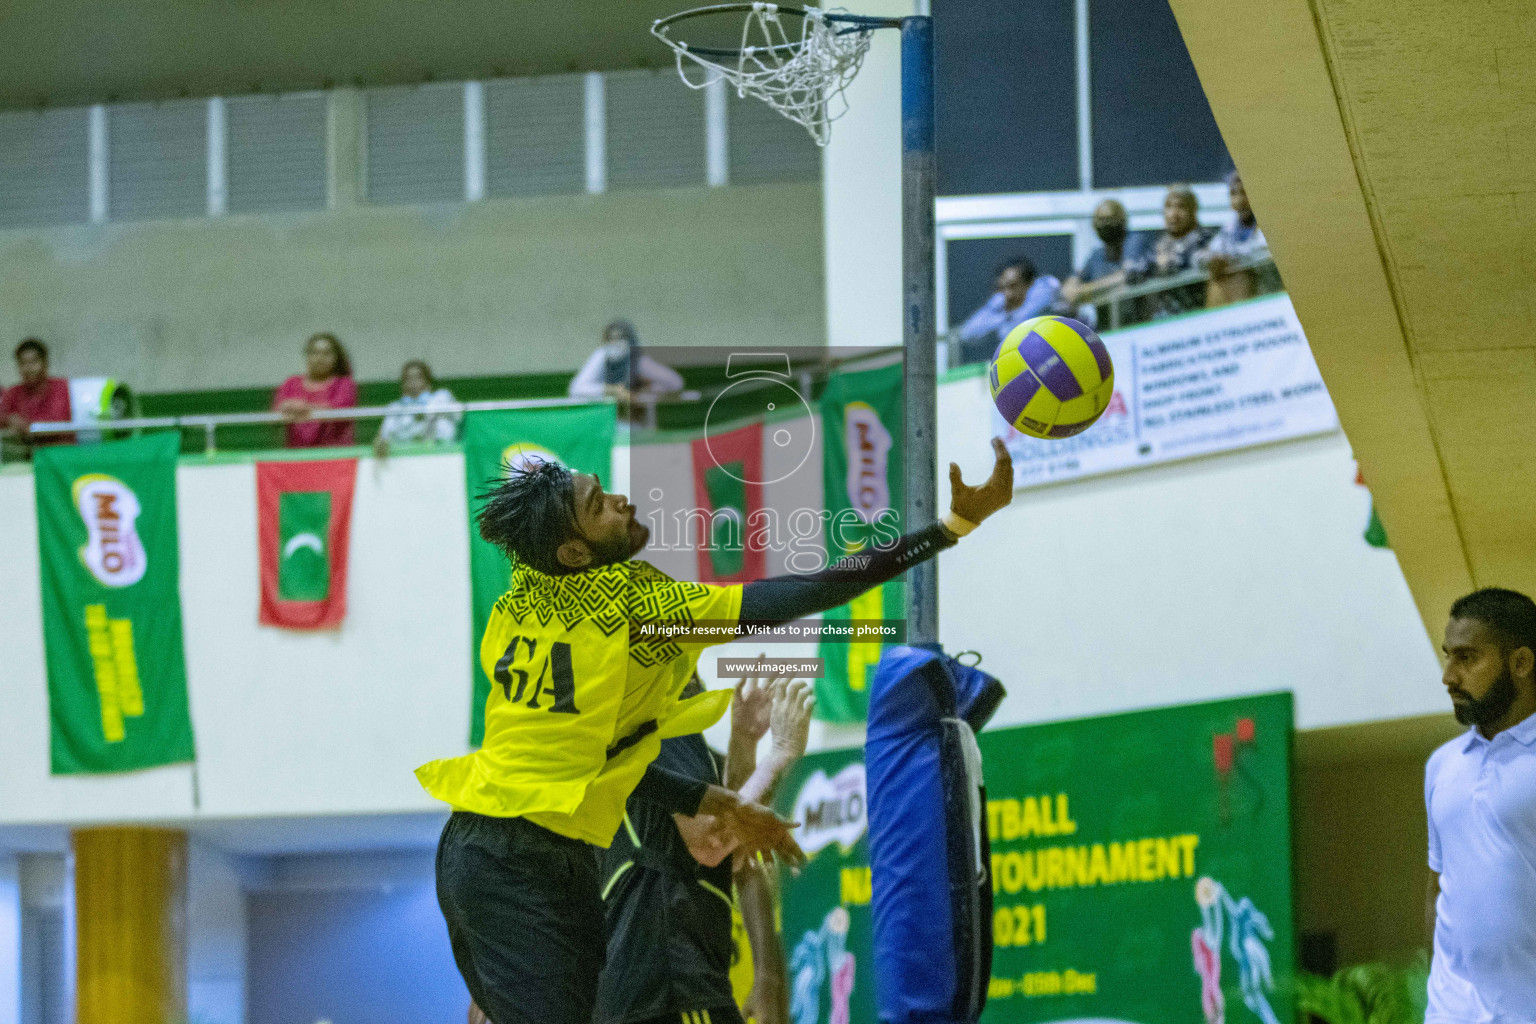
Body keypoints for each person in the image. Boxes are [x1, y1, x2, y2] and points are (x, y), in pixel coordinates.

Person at [417, 437, 1015, 1024]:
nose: (622, 500)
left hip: (517, 851)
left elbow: (589, 765)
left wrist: (717, 799)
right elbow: (800, 592)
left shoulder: (519, 602)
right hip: (511, 859)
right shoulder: (641, 612)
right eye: (598, 503)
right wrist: (949, 527)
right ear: (573, 553)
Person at [592, 670, 815, 1024]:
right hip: (670, 984)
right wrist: (782, 753)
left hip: (638, 989)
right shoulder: (660, 725)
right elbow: (712, 840)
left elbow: (735, 852)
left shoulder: (634, 738)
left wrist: (744, 740)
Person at [1425, 588, 1536, 1024]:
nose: (1449, 676)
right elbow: (1439, 888)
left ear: (1521, 663)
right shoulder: (1441, 766)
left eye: (1467, 658)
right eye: (1448, 656)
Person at [1124, 185, 1216, 319]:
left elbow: (1197, 260)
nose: (1173, 214)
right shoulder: (1159, 244)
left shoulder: (1205, 238)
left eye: (1181, 207)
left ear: (1193, 210)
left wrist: (1164, 264)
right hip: (1163, 323)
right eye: (1168, 207)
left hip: (1198, 317)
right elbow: (1133, 272)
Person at [953, 257, 1063, 366]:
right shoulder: (1000, 303)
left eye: (1013, 286)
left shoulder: (1043, 291)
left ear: (1029, 283)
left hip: (1051, 360)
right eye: (1002, 288)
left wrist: (1007, 315)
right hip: (1017, 364)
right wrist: (1001, 312)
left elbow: (1022, 317)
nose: (1007, 294)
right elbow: (966, 333)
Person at [1059, 199, 1146, 323]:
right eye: (1100, 220)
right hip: (1107, 328)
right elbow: (1070, 289)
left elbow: (1128, 276)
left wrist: (1085, 292)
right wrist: (1075, 289)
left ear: (1122, 220)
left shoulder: (1134, 241)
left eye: (1110, 219)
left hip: (1138, 324)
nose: (1105, 225)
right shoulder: (1096, 255)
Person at [1199, 172, 1277, 307]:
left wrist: (1230, 259)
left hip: (1269, 294)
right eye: (1233, 194)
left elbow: (1262, 253)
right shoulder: (1230, 227)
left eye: (1245, 193)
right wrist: (1211, 260)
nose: (1239, 201)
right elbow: (1208, 253)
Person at [273, 332, 358, 448]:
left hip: (336, 456)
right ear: (307, 355)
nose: (320, 358)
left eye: (326, 353)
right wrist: (284, 407)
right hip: (298, 457)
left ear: (336, 358)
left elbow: (340, 411)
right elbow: (275, 417)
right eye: (315, 352)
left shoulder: (344, 384)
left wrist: (303, 407)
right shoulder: (291, 383)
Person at [569, 320, 685, 402]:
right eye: (610, 339)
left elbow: (676, 382)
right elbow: (577, 389)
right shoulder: (602, 355)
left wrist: (645, 390)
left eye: (620, 338)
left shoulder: (637, 360)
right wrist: (613, 390)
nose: (614, 343)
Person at [374, 359, 460, 457]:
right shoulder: (395, 407)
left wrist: (427, 413)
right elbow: (385, 435)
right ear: (403, 384)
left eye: (418, 377)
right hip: (406, 458)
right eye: (408, 378)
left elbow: (458, 417)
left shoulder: (442, 397)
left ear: (428, 381)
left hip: (443, 455)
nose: (413, 382)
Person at [1, 338, 74, 452]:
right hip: (25, 458)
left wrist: (25, 426)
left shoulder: (60, 387)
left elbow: (56, 424)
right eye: (23, 363)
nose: (28, 368)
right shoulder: (14, 392)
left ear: (45, 363)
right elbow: (3, 416)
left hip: (60, 454)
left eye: (33, 362)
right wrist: (8, 419)